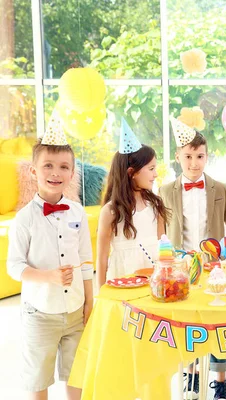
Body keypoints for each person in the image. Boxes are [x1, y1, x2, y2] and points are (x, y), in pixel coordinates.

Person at [7, 115, 94, 400]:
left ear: (71, 173)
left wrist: (90, 301)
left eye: (63, 167)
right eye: (48, 165)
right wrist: (49, 277)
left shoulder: (78, 212)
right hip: (40, 313)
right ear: (33, 171)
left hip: (75, 310)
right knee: (38, 376)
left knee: (77, 372)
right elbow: (14, 266)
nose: (55, 172)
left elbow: (85, 259)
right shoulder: (24, 218)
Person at [159, 117, 226, 400]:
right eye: (188, 157)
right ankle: (192, 374)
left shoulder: (221, 189)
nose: (194, 163)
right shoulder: (165, 191)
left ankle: (221, 380)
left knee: (217, 321)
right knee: (187, 319)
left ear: (207, 156)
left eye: (200, 156)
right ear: (177, 157)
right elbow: (161, 233)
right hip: (181, 266)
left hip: (214, 264)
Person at [97, 119, 169, 286]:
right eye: (151, 169)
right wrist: (101, 296)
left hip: (154, 280)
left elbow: (163, 245)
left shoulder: (156, 205)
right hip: (123, 279)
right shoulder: (110, 212)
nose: (156, 174)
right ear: (132, 172)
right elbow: (101, 258)